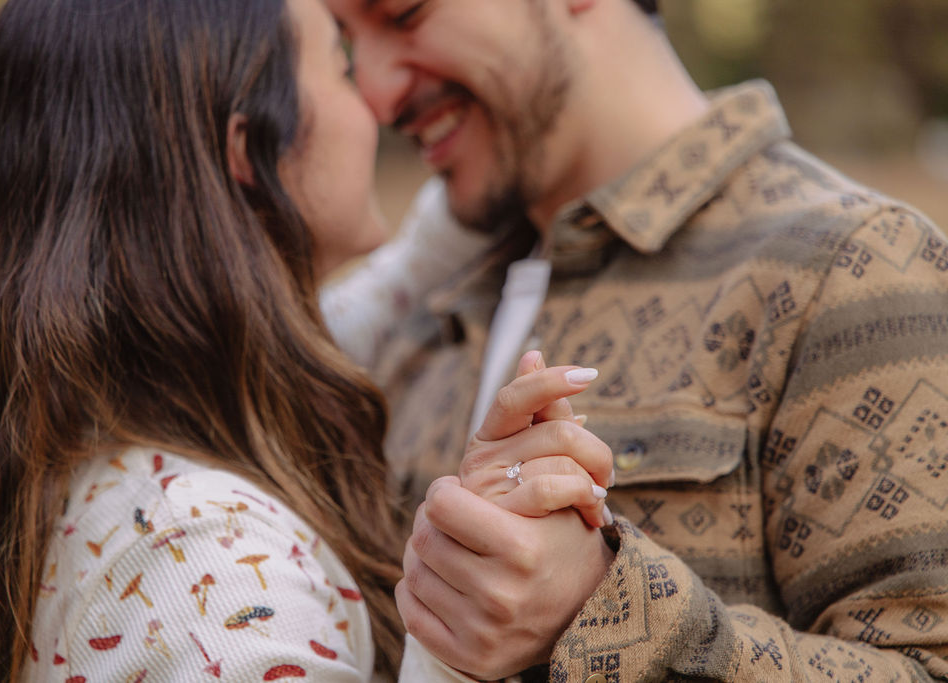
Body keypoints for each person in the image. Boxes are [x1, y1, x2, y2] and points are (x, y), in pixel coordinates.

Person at [0, 0, 615, 680]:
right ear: (247, 149)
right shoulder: (201, 559)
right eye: (343, 69)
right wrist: (454, 639)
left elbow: (396, 278)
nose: (376, 101)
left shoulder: (94, 430)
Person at [325, 0, 948, 679]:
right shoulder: (421, 314)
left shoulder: (849, 266)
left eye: (404, 14)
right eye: (347, 43)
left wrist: (606, 609)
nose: (379, 95)